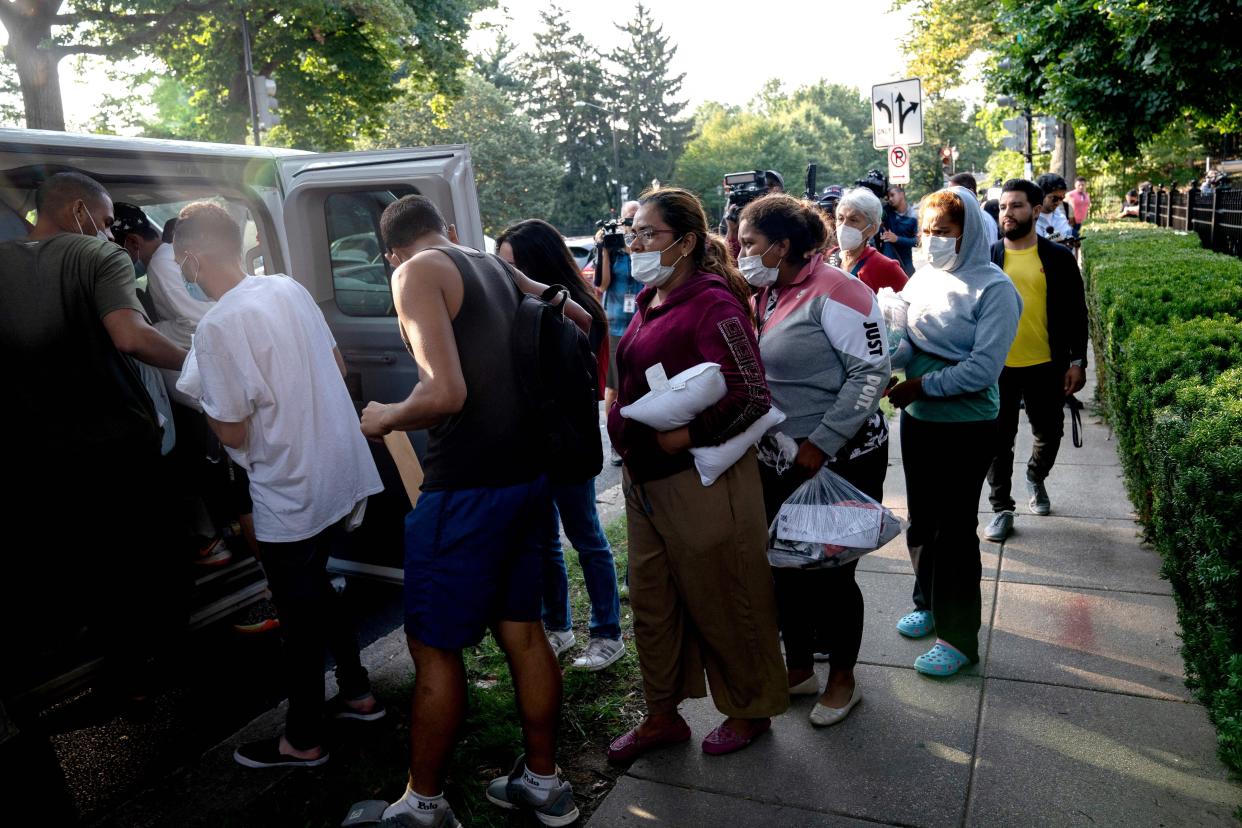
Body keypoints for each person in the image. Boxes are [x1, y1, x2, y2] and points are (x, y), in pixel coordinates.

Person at [359, 195, 591, 827]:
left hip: (464, 489)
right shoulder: (489, 263)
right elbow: (575, 316)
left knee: (434, 647)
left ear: (391, 254)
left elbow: (445, 392)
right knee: (524, 629)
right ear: (447, 229)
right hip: (526, 478)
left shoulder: (414, 273)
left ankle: (423, 805)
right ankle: (544, 783)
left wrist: (385, 416)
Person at [171, 201, 386, 770]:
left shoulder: (217, 325)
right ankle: (359, 692)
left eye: (177, 259)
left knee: (297, 613)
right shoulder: (285, 288)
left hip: (287, 483)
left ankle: (303, 737)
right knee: (319, 583)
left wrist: (213, 407)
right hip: (334, 465)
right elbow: (336, 366)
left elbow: (233, 425)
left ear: (192, 256)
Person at [605, 187, 787, 762]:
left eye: (648, 235)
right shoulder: (649, 298)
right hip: (645, 483)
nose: (635, 244)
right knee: (653, 603)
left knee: (727, 596)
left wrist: (680, 437)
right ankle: (663, 714)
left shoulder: (713, 303)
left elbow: (752, 395)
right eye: (631, 234)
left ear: (685, 242)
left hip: (701, 484)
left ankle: (750, 709)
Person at [0, 172, 188, 699]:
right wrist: (200, 360)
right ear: (79, 212)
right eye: (104, 221)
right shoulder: (98, 258)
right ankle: (172, 664)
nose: (108, 232)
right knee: (154, 553)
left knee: (91, 562)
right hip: (118, 440)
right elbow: (131, 336)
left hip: (41, 448)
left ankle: (123, 676)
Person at [738, 193, 891, 727]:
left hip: (839, 457)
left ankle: (843, 681)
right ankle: (799, 667)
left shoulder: (841, 292)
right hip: (780, 456)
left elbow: (871, 374)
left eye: (751, 243)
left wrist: (821, 442)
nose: (742, 252)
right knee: (785, 566)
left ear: (782, 247)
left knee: (830, 573)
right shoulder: (768, 292)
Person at [887, 186, 1021, 678]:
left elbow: (983, 370)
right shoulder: (922, 278)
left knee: (955, 531)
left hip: (966, 426)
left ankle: (959, 637)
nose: (931, 240)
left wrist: (922, 384)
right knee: (922, 522)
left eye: (942, 232)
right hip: (919, 420)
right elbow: (906, 342)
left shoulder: (995, 289)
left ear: (969, 236)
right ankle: (927, 600)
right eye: (926, 231)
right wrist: (889, 358)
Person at [496, 219, 625, 672]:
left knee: (586, 537)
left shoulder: (574, 304)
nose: (507, 276)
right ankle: (559, 627)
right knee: (544, 541)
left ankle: (608, 633)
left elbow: (587, 330)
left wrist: (531, 289)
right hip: (529, 443)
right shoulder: (513, 307)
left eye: (514, 267)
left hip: (569, 441)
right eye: (502, 267)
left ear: (538, 265)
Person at [983, 179, 1088, 541]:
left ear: (1036, 210)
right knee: (998, 441)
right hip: (998, 368)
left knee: (1050, 433)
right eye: (1003, 207)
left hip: (1047, 365)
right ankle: (1001, 508)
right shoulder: (989, 258)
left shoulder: (1058, 258)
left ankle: (1034, 476)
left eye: (1016, 206)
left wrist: (1078, 361)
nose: (1007, 214)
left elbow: (1077, 313)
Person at [597, 200, 642, 464]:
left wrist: (631, 247)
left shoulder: (641, 248)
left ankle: (637, 436)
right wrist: (604, 248)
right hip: (615, 324)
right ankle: (615, 442)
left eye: (634, 220)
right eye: (626, 219)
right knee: (613, 387)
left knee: (638, 383)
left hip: (641, 320)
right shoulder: (612, 249)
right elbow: (602, 284)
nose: (628, 224)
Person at [829, 187, 908, 294]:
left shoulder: (886, 268)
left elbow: (908, 306)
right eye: (840, 218)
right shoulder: (826, 258)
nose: (844, 226)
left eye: (853, 220)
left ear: (872, 229)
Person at [723, 170, 784, 259]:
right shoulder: (735, 216)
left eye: (771, 185)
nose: (766, 190)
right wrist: (732, 231)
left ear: (779, 190)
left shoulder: (788, 217)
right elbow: (729, 261)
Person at [880, 185, 919, 275]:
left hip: (906, 265)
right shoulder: (886, 211)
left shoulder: (914, 216)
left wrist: (897, 239)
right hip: (887, 263)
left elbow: (918, 241)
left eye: (892, 195)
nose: (890, 199)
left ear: (902, 194)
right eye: (888, 197)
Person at [950, 173, 999, 242]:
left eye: (954, 194)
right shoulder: (970, 216)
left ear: (970, 192)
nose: (949, 198)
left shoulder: (980, 218)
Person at [1035, 173, 1075, 244]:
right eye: (1054, 198)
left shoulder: (1061, 217)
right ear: (1041, 195)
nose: (1058, 202)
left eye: (1061, 198)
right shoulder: (1029, 219)